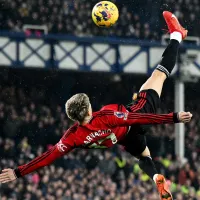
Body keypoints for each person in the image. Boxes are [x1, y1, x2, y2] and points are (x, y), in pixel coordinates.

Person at [0, 11, 192, 200]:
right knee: (159, 74)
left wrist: (18, 172)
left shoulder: (72, 136)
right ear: (89, 109)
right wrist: (173, 117)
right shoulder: (105, 116)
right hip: (136, 116)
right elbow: (138, 118)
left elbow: (47, 157)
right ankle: (177, 35)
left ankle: (156, 177)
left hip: (124, 139)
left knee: (144, 157)